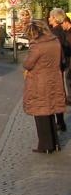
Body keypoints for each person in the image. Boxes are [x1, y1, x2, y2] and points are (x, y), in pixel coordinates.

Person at [22, 20, 65, 153]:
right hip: (55, 79)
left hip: (39, 82)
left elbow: (28, 64)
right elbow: (61, 60)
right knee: (51, 110)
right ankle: (55, 143)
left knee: (40, 112)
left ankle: (45, 145)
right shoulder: (55, 41)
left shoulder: (37, 45)